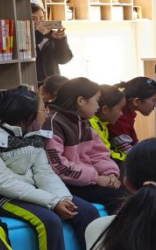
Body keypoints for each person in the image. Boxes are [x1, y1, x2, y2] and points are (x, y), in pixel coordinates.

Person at [0, 87, 100, 250]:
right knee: (49, 221)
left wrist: (62, 198)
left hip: (30, 191)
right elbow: (2, 182)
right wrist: (52, 202)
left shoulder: (34, 135)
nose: (46, 113)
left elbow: (43, 172)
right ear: (27, 115)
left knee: (87, 211)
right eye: (43, 109)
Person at [44, 77, 125, 212]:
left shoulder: (84, 122)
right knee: (116, 197)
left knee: (125, 189)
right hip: (66, 183)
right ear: (81, 101)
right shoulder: (53, 122)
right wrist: (96, 178)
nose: (98, 106)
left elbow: (98, 153)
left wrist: (110, 174)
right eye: (96, 100)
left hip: (85, 179)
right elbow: (59, 167)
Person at [109, 76, 156, 156]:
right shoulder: (119, 117)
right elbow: (127, 151)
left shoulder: (129, 114)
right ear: (136, 101)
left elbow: (134, 143)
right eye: (154, 100)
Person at [33, 2, 73, 83]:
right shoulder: (23, 39)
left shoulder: (51, 35)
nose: (38, 22)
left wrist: (60, 40)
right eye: (33, 19)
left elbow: (64, 60)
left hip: (53, 84)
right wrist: (38, 34)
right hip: (33, 84)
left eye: (41, 18)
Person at [89, 84, 128, 164]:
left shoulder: (102, 124)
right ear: (105, 109)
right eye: (120, 109)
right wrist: (130, 158)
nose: (121, 114)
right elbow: (107, 154)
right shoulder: (93, 125)